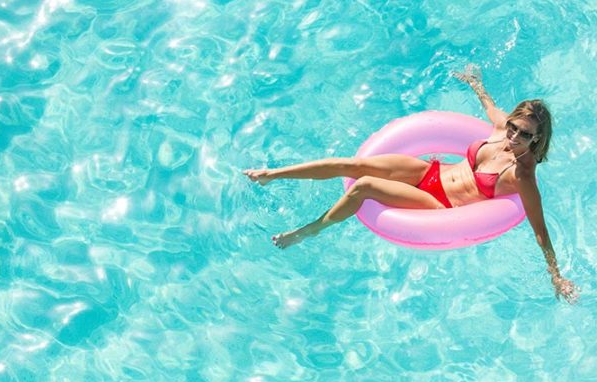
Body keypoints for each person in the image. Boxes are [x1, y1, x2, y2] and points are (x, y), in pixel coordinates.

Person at [244, 64, 579, 303]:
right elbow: (490, 106)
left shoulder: (523, 175)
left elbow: (540, 230)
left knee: (363, 187)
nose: (515, 137)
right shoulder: (499, 128)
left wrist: (555, 275)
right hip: (428, 172)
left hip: (442, 205)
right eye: (514, 127)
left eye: (525, 135)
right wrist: (475, 84)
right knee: (354, 165)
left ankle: (308, 230)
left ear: (537, 139)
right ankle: (271, 174)